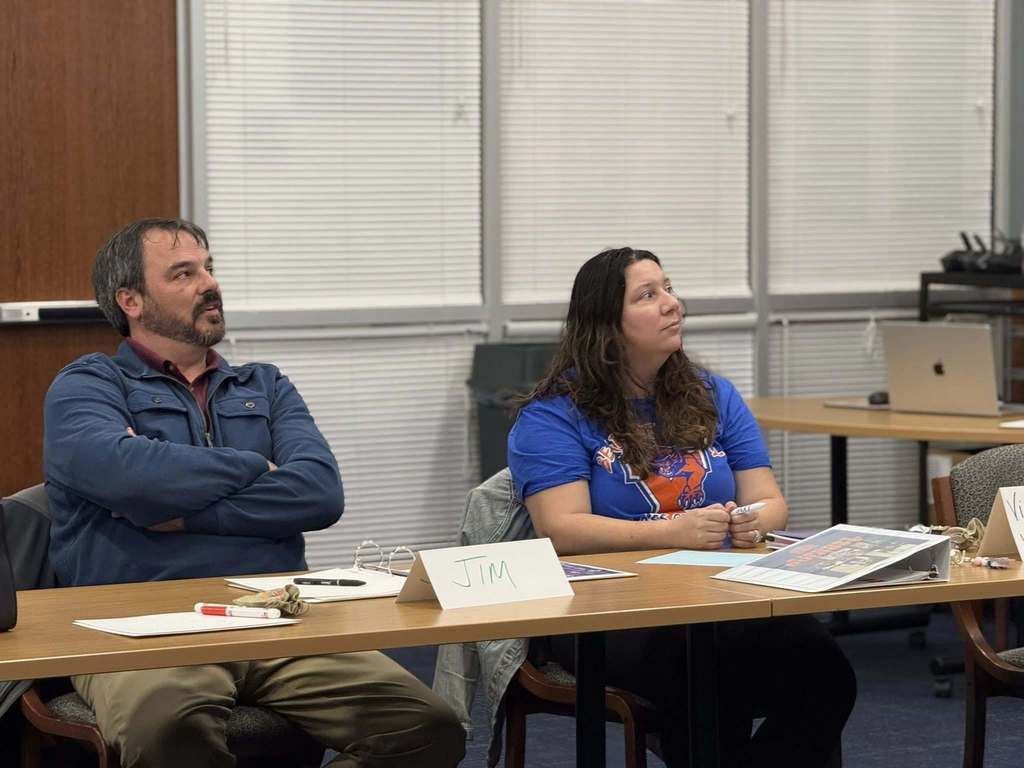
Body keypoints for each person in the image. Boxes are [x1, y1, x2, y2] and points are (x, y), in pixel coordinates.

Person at [43, 218, 465, 768]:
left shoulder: (263, 385)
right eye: (183, 274)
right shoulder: (88, 386)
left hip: (276, 615)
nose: (209, 283)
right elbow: (125, 476)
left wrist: (183, 511)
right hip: (141, 628)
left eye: (209, 268)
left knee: (431, 727)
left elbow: (318, 493)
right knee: (169, 728)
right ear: (132, 301)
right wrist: (253, 464)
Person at [507, 247, 856, 767]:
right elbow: (562, 529)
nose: (672, 304)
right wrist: (673, 531)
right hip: (604, 611)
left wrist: (752, 522)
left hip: (716, 593)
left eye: (668, 288)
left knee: (825, 669)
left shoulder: (712, 394)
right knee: (706, 669)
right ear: (605, 325)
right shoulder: (554, 414)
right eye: (648, 295)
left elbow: (770, 500)